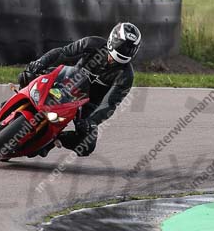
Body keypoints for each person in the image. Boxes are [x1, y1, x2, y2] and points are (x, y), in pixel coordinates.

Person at [19, 22, 142, 158]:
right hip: (65, 82)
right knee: (27, 76)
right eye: (122, 45)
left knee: (87, 145)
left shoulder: (126, 75)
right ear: (114, 39)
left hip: (87, 104)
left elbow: (110, 104)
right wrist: (40, 63)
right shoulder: (92, 43)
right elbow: (63, 52)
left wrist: (92, 121)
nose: (124, 50)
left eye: (129, 48)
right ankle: (17, 105)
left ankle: (52, 140)